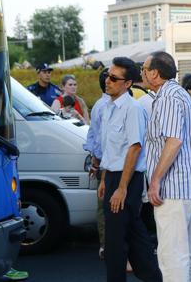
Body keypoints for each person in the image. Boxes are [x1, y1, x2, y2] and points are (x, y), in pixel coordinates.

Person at [143, 51, 191, 282]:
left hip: (175, 187)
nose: (142, 73)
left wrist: (155, 180)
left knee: (172, 254)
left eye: (144, 69)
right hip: (190, 185)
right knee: (188, 251)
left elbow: (174, 141)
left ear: (154, 73)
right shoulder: (179, 95)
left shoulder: (168, 97)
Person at [98, 57, 162, 282]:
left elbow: (134, 148)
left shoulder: (132, 109)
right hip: (115, 177)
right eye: (108, 75)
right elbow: (111, 150)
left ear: (127, 83)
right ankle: (154, 277)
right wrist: (106, 179)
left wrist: (122, 188)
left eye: (114, 78)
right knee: (134, 235)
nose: (108, 80)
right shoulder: (108, 107)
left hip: (127, 180)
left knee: (115, 243)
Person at [83, 68, 110, 260]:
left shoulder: (100, 105)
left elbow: (94, 138)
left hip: (104, 164)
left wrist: (94, 162)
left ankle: (105, 245)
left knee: (103, 207)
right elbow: (97, 138)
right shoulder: (109, 105)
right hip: (114, 164)